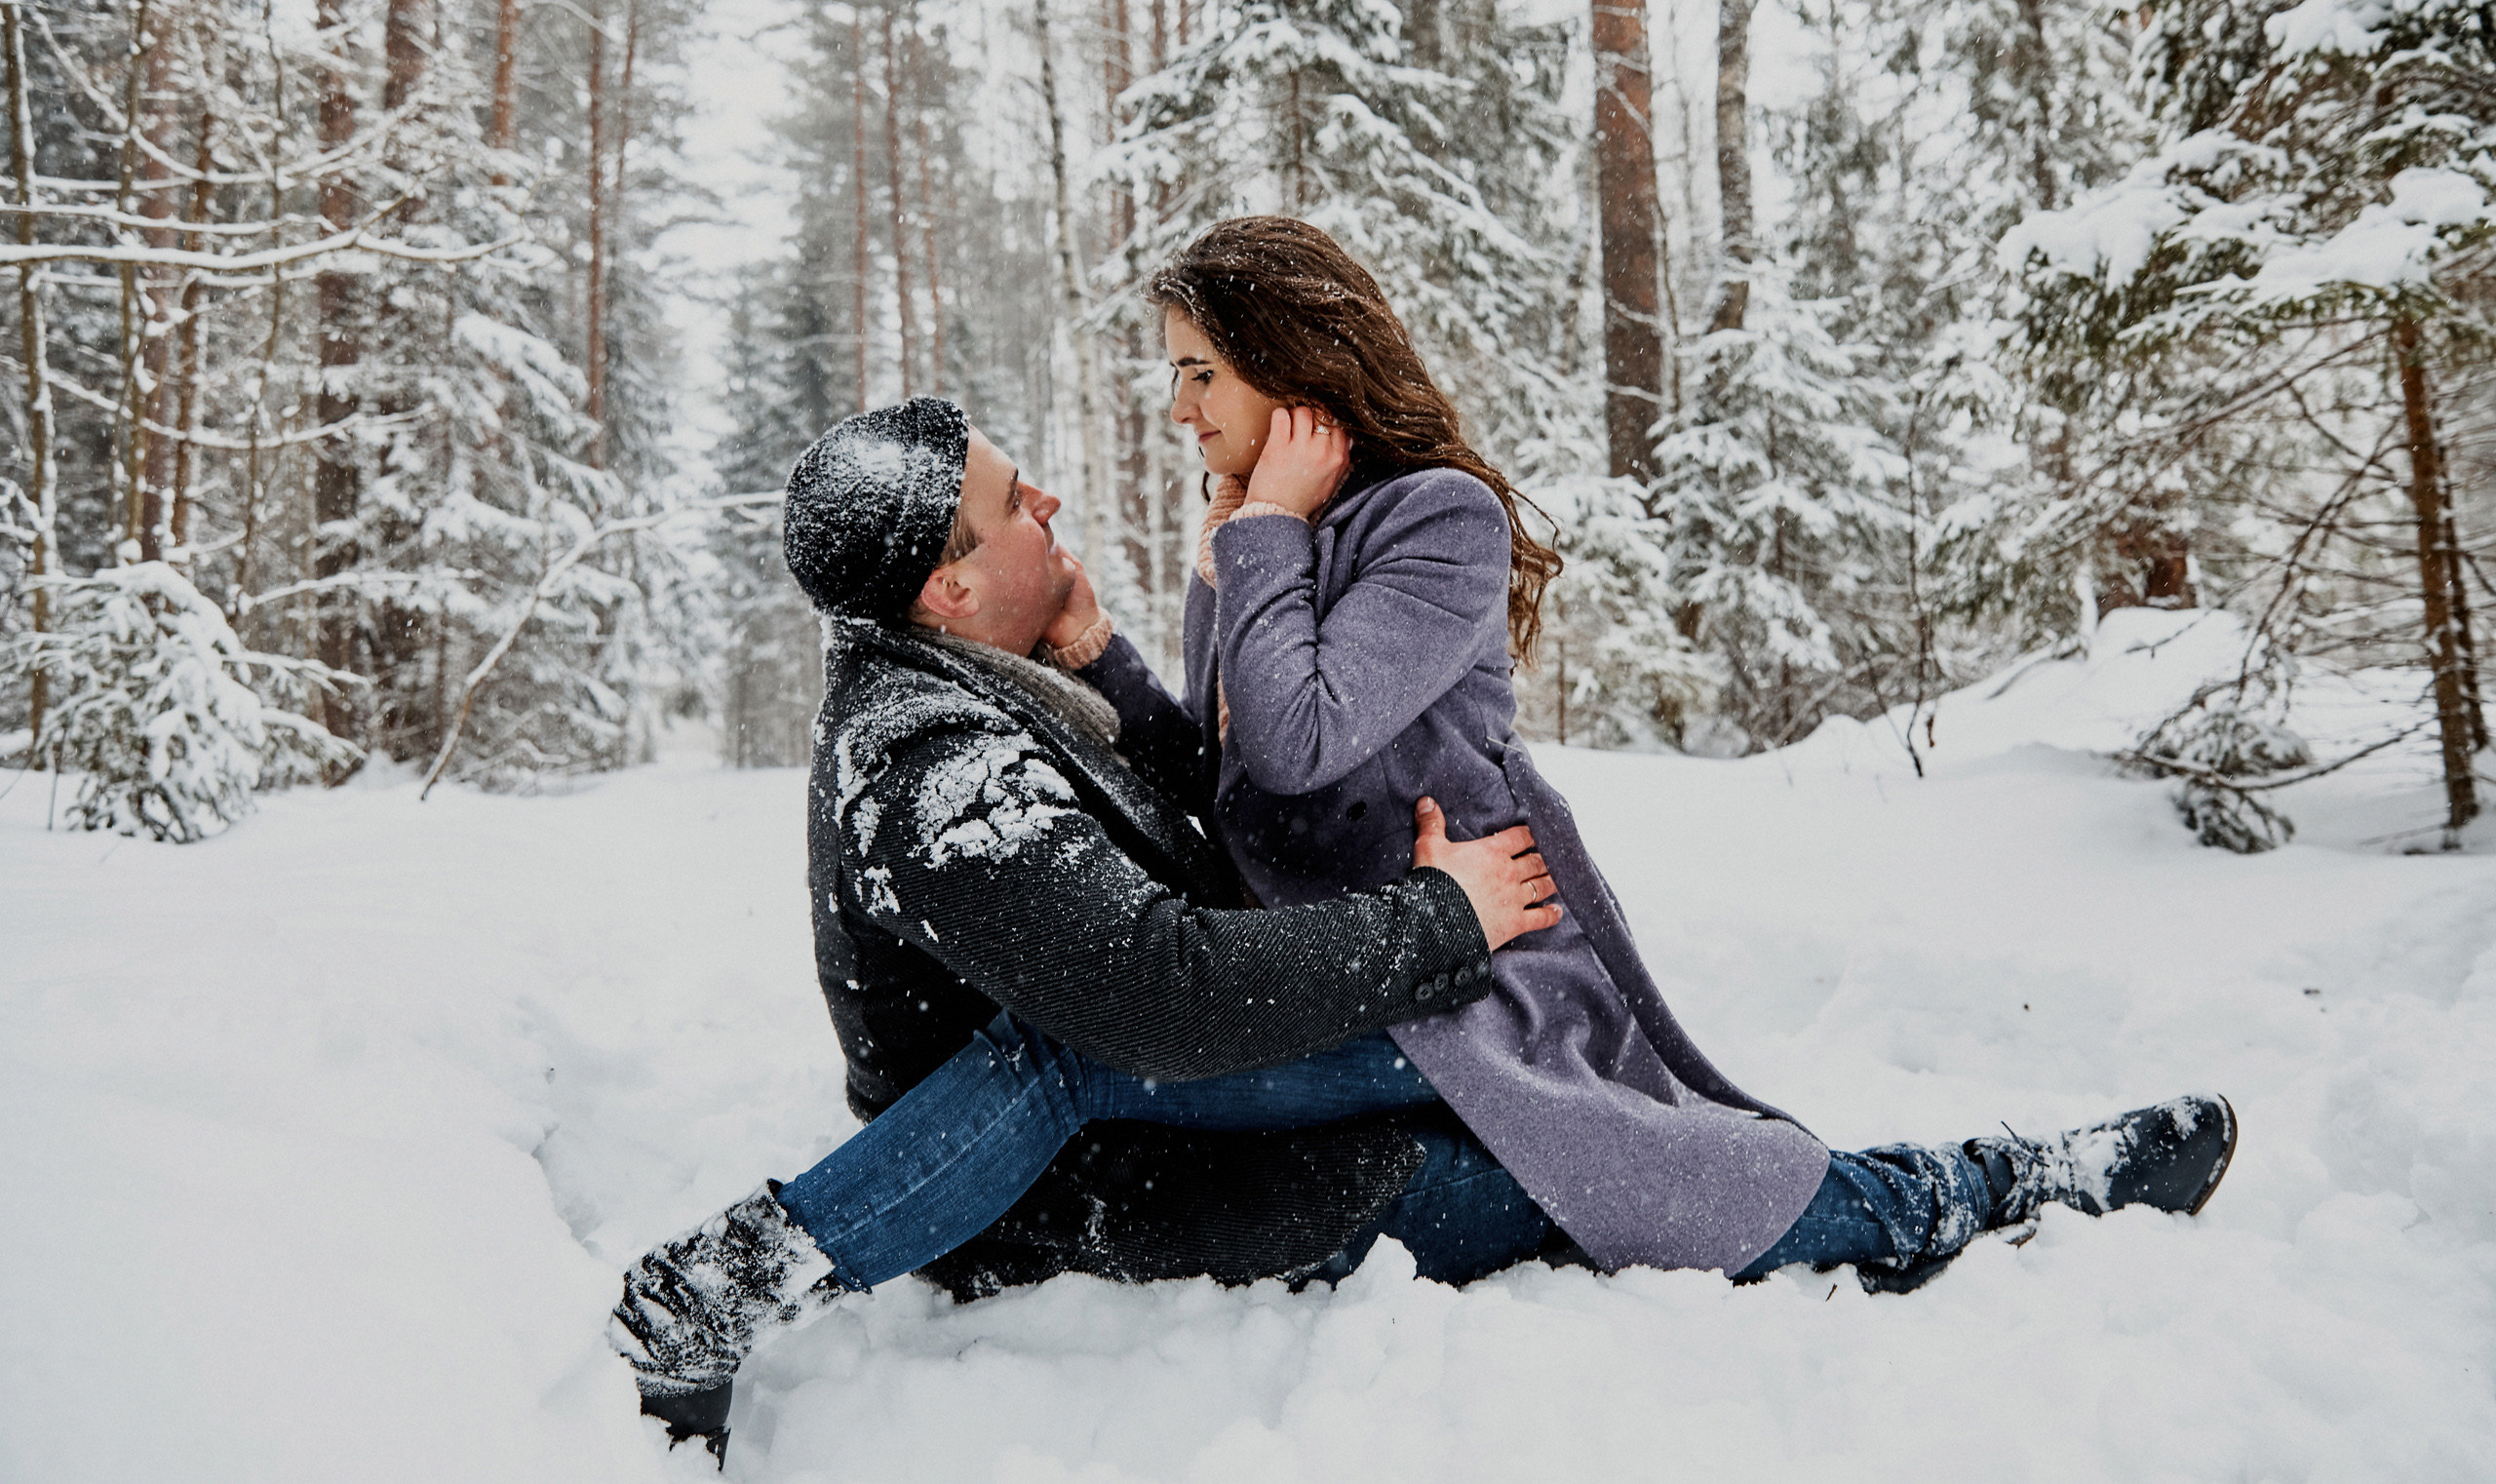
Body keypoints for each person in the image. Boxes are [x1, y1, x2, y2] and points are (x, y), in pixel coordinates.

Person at [610, 375, 2239, 1463]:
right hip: (1090, 1178)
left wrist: (1108, 664)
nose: (1048, 495)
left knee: (1534, 1085)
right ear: (947, 592)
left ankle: (1924, 1181)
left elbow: (1181, 858)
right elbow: (1153, 992)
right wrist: (1439, 920)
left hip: (1152, 1112)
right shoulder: (931, 766)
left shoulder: (965, 688)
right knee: (1549, 1156)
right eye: (1008, 501)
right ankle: (1980, 1193)